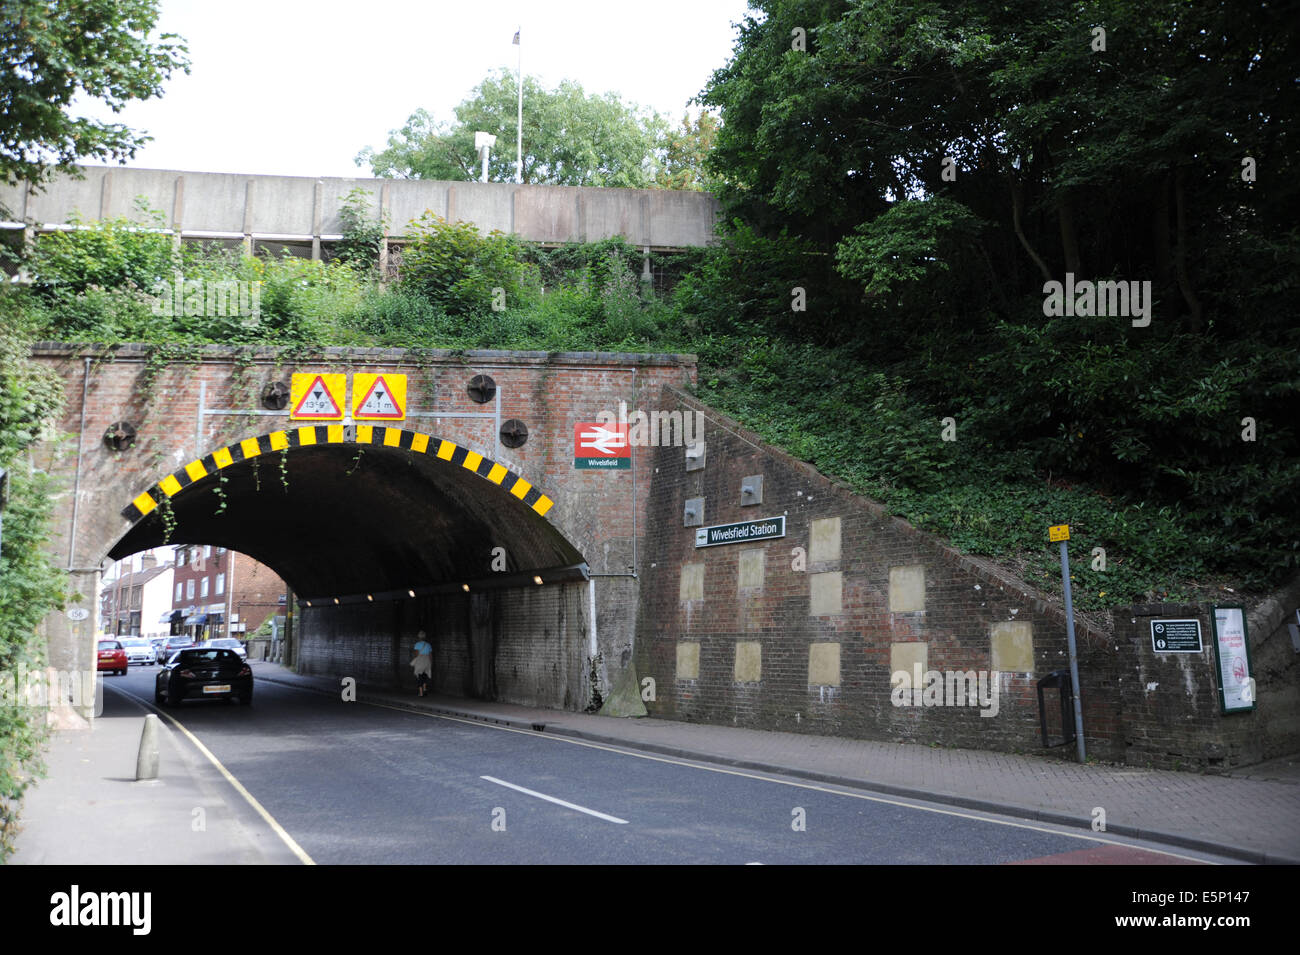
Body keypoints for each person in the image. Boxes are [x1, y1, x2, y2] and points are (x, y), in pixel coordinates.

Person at [410, 630, 433, 697]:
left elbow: (416, 654)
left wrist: (415, 658)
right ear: (425, 636)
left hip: (420, 661)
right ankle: (425, 689)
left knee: (420, 676)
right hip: (427, 661)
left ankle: (421, 693)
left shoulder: (417, 644)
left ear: (419, 636)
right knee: (425, 676)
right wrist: (431, 663)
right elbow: (430, 655)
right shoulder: (428, 644)